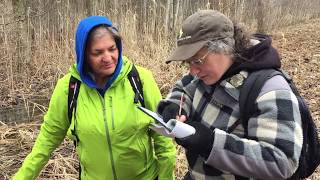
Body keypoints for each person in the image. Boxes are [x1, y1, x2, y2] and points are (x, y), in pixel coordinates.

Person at [13, 16, 176, 180]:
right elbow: (47, 140)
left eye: (112, 49)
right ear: (83, 55)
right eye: (97, 52)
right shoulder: (69, 88)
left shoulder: (140, 80)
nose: (107, 58)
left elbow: (164, 143)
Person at [157, 10, 303, 179]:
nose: (193, 70)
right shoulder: (206, 73)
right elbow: (184, 87)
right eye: (187, 62)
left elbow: (282, 161)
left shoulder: (269, 87)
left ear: (224, 47)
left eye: (197, 60)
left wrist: (210, 144)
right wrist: (175, 105)